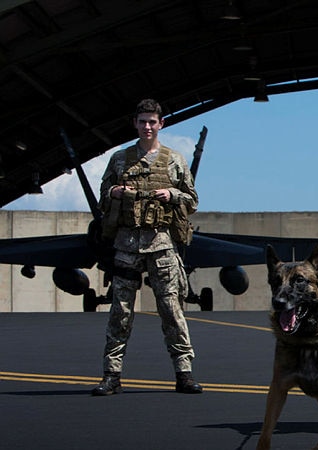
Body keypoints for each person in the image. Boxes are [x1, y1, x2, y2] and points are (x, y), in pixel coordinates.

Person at [91, 98, 202, 396]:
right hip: (126, 245)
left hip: (162, 244)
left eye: (153, 121)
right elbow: (103, 197)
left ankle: (184, 373)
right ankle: (111, 375)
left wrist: (172, 193)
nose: (148, 126)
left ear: (161, 124)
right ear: (135, 124)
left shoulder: (174, 161)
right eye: (143, 121)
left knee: (171, 309)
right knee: (121, 311)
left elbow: (193, 201)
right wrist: (115, 191)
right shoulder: (119, 159)